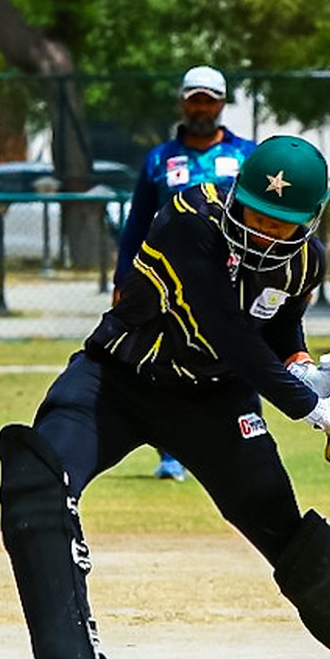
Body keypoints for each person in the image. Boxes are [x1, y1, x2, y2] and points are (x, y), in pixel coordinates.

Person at [0, 134, 330, 659]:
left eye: (280, 225)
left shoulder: (304, 262)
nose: (263, 234)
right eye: (255, 215)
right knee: (37, 477)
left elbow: (276, 326)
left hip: (215, 402)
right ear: (237, 196)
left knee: (280, 524)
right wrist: (312, 408)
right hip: (115, 382)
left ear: (308, 222)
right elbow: (222, 328)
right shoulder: (189, 220)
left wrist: (309, 370)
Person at [116, 65, 257, 482]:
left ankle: (245, 444)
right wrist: (123, 280)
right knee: (164, 361)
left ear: (221, 104)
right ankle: (171, 453)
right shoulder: (159, 159)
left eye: (208, 101)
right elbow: (136, 224)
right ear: (182, 103)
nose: (201, 109)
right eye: (194, 100)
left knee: (242, 358)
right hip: (168, 282)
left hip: (232, 279)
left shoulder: (246, 156)